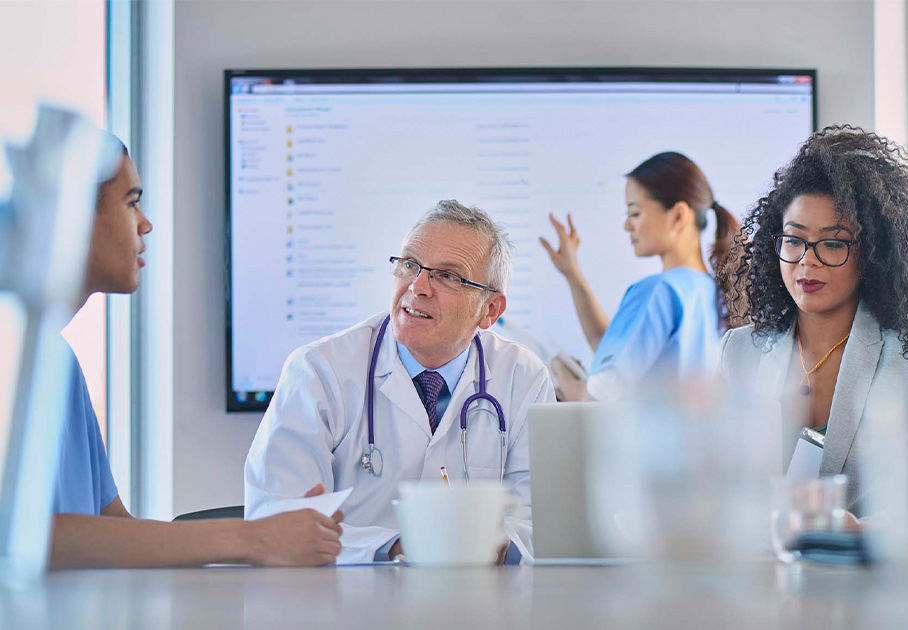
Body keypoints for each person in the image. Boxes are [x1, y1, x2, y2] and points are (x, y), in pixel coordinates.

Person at [50, 139, 344, 569]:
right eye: (132, 203)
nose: (145, 224)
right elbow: (31, 537)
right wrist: (253, 538)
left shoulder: (59, 365)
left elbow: (111, 525)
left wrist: (271, 538)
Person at [245, 200, 554, 563]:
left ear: (490, 310)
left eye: (448, 276)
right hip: (347, 607)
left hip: (479, 606)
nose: (418, 286)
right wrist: (400, 547)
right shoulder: (319, 370)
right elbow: (276, 519)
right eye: (409, 264)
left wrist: (497, 543)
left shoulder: (523, 376)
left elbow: (542, 520)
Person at [717, 126, 908, 515]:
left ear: (873, 253)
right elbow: (719, 485)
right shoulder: (738, 351)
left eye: (832, 243)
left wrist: (857, 533)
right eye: (793, 240)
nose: (807, 261)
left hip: (871, 571)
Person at [539, 152, 737, 400]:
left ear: (678, 215)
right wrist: (572, 273)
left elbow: (597, 398)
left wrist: (559, 373)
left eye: (634, 213)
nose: (627, 226)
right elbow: (622, 346)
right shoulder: (712, 290)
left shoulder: (658, 291)